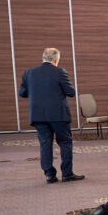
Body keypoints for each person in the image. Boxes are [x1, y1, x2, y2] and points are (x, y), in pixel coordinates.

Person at [19, 47, 84, 184]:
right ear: (56, 59)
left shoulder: (29, 73)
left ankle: (49, 175)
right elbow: (71, 92)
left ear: (43, 57)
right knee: (65, 143)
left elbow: (22, 93)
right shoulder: (60, 72)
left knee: (45, 144)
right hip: (58, 115)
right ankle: (67, 174)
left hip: (38, 115)